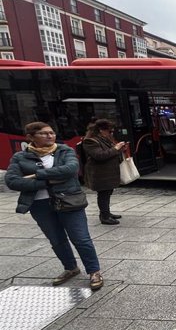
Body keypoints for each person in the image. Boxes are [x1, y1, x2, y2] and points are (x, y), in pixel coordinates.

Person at [4, 122, 103, 290]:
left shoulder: (65, 151)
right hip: (39, 204)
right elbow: (12, 181)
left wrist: (36, 175)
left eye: (51, 132)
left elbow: (70, 170)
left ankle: (94, 271)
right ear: (30, 137)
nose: (50, 136)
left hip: (69, 201)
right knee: (56, 240)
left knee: (81, 238)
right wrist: (47, 182)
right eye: (44, 133)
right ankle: (70, 268)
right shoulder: (20, 157)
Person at [82, 119, 126, 225]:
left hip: (107, 172)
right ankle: (104, 217)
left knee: (107, 193)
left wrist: (120, 150)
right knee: (103, 194)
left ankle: (107, 213)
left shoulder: (104, 139)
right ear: (102, 130)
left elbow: (110, 153)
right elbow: (100, 156)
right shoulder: (91, 141)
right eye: (110, 131)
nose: (111, 133)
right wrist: (116, 148)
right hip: (99, 173)